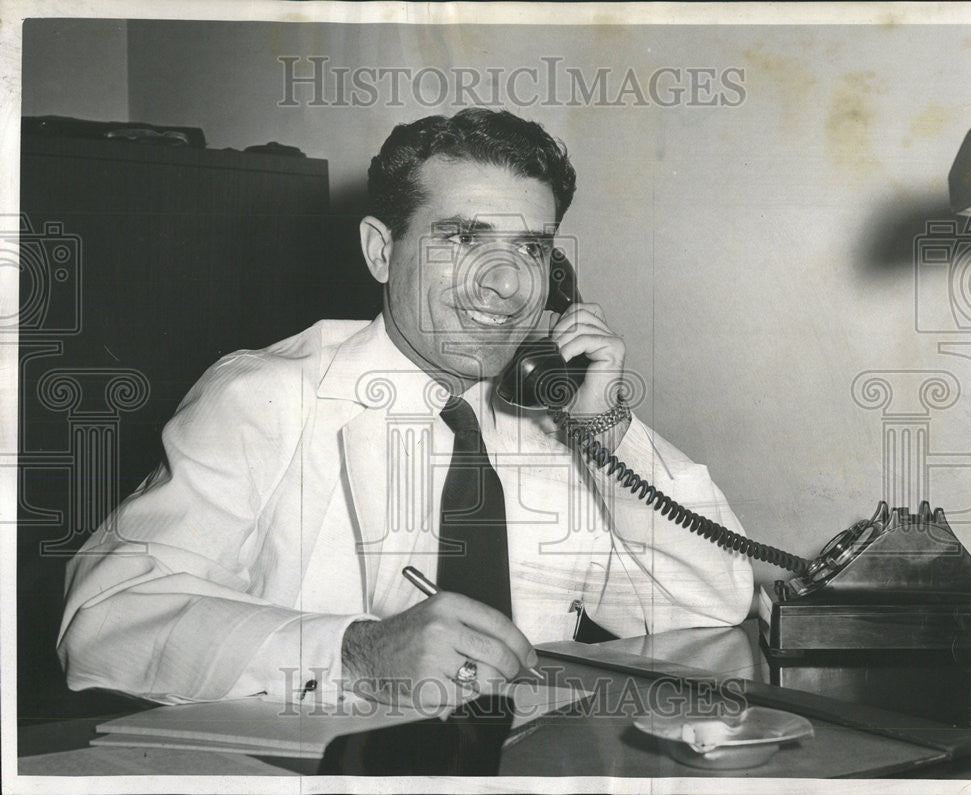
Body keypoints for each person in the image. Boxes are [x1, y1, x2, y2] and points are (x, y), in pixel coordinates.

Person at [58, 108, 752, 711]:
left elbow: (706, 602)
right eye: (463, 239)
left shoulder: (557, 420)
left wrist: (605, 426)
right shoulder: (262, 398)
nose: (505, 286)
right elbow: (104, 624)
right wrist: (353, 653)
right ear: (381, 251)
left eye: (531, 249)